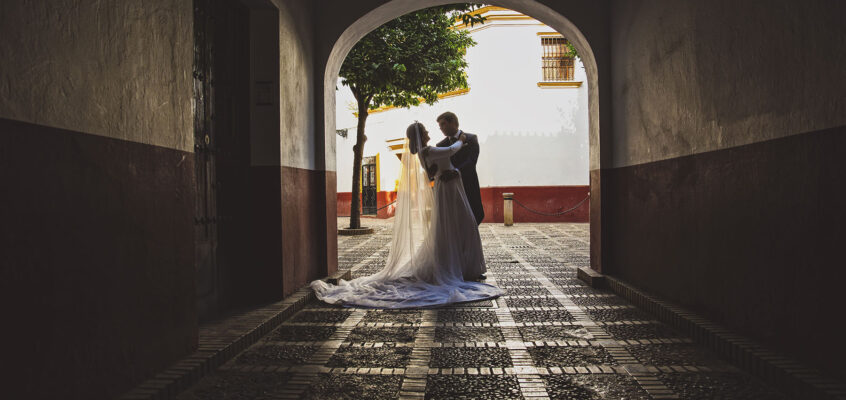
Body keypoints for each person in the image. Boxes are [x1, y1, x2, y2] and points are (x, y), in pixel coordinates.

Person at [310, 122, 500, 308]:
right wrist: (462, 139)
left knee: (454, 226)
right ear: (419, 135)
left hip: (448, 189)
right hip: (450, 191)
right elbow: (452, 150)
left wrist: (448, 171)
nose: (428, 132)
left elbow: (433, 173)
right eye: (425, 131)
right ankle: (464, 267)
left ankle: (461, 266)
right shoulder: (429, 151)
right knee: (462, 225)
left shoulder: (425, 153)